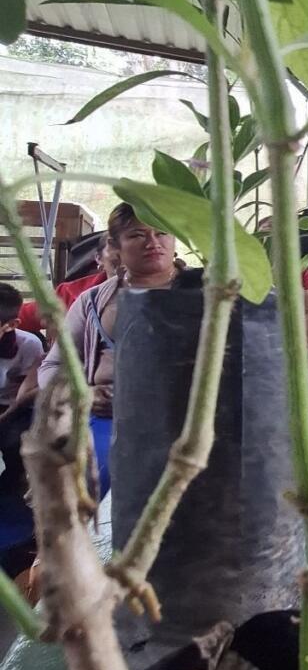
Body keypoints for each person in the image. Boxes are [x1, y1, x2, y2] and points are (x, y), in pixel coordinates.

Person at [37, 203, 181, 498]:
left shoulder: (206, 295)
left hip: (181, 421)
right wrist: (81, 394)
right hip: (105, 421)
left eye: (162, 232)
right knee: (76, 487)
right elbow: (51, 367)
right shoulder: (91, 302)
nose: (153, 243)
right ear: (116, 246)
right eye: (138, 235)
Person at [18, 235, 120, 338]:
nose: (125, 253)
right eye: (116, 245)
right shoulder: (70, 293)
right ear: (98, 258)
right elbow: (21, 316)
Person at [0, 284, 45, 496]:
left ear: (11, 324)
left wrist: (5, 415)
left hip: (16, 407)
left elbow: (27, 392)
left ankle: (14, 482)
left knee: (13, 442)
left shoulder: (29, 345)